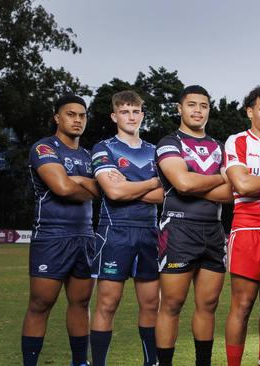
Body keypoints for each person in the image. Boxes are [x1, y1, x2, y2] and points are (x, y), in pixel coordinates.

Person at [153, 85, 233, 366]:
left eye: (204, 106)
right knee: (172, 304)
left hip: (213, 230)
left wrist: (192, 182)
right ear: (180, 108)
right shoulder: (168, 142)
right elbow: (182, 183)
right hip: (178, 229)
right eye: (192, 105)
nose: (198, 110)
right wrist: (216, 179)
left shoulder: (220, 147)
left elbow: (230, 193)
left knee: (208, 306)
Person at [89, 90, 164, 366]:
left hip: (149, 232)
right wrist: (150, 183)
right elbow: (113, 193)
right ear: (114, 116)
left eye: (135, 111)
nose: (131, 116)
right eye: (124, 111)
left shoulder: (155, 152)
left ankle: (151, 362)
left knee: (150, 304)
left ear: (142, 115)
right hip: (114, 231)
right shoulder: (103, 147)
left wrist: (126, 185)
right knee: (107, 303)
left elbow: (163, 196)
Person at [22, 95, 98, 366]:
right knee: (41, 304)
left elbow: (102, 190)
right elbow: (62, 188)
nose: (77, 120)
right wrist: (81, 184)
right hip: (52, 236)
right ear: (57, 117)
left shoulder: (89, 156)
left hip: (85, 237)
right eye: (71, 114)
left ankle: (80, 362)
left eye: (82, 115)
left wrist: (76, 180)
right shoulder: (44, 148)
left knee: (81, 303)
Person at [224, 85, 260, 366]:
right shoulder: (237, 141)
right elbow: (242, 183)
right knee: (243, 305)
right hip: (248, 228)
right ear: (250, 112)